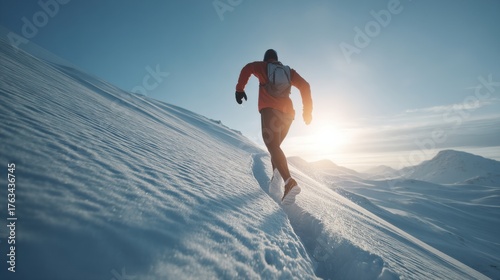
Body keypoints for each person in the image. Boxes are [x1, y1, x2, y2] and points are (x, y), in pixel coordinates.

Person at [235, 49, 312, 202]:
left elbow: (247, 68)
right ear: (277, 59)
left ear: (266, 59)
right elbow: (305, 86)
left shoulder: (262, 67)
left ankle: (289, 182)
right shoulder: (289, 72)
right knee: (275, 146)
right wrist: (307, 112)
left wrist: (239, 89)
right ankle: (275, 182)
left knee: (272, 145)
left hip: (270, 111)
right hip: (288, 115)